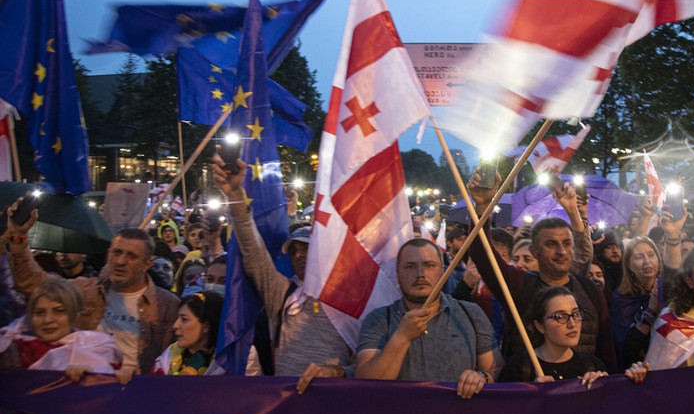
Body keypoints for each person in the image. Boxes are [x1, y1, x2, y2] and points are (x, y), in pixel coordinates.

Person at [212, 156, 353, 381]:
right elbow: (254, 253)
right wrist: (235, 197)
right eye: (294, 250)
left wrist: (340, 373)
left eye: (306, 248)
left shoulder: (348, 296)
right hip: (289, 402)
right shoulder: (284, 294)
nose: (298, 254)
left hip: (336, 403)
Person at [6, 199, 178, 381]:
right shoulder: (86, 290)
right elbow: (34, 284)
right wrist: (18, 236)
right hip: (83, 392)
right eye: (117, 252)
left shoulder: (168, 306)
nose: (120, 261)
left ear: (147, 264)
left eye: (131, 256)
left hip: (136, 396)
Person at [468, 172, 615, 370]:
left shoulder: (590, 291)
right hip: (529, 390)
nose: (561, 251)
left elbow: (607, 351)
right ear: (534, 251)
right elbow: (482, 254)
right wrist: (482, 209)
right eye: (551, 244)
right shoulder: (519, 285)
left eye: (566, 243)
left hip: (582, 392)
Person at [355, 239, 501, 399]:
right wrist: (402, 337)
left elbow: (496, 368)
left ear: (443, 271)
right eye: (410, 267)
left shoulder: (471, 313)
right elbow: (367, 383)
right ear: (398, 274)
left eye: (429, 265)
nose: (420, 274)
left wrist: (482, 377)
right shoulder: (379, 319)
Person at [498, 286, 648, 386]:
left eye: (575, 314)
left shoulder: (593, 365)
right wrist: (531, 396)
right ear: (539, 326)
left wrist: (606, 388)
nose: (572, 324)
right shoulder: (517, 368)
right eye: (560, 317)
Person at [0, 278, 120, 377]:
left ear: (74, 313)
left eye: (59, 311)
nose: (48, 320)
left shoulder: (99, 345)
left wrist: (90, 377)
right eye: (40, 312)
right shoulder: (16, 351)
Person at [609, 237, 664, 370]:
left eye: (651, 255)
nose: (647, 261)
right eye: (639, 257)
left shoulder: (669, 288)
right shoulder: (622, 297)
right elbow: (626, 346)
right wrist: (650, 310)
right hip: (640, 369)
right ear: (628, 265)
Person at [152, 291, 223, 375]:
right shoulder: (168, 358)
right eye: (177, 318)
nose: (175, 325)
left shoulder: (227, 365)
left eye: (184, 319)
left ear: (206, 326)